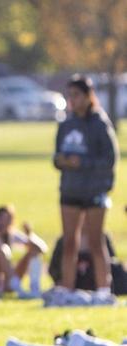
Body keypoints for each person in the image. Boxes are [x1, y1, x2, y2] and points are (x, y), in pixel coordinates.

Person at [44, 74, 119, 307]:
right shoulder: (66, 124)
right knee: (69, 242)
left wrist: (82, 163)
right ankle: (67, 288)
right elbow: (57, 156)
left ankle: (103, 290)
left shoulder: (100, 124)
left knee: (96, 241)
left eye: (76, 95)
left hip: (94, 190)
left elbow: (109, 160)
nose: (72, 100)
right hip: (70, 190)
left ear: (88, 96)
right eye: (69, 95)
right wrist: (62, 161)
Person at [0, 205, 46, 298]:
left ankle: (34, 289)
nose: (3, 223)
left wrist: (30, 235)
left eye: (7, 220)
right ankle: (17, 287)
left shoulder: (10, 234)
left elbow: (41, 249)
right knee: (1, 251)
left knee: (32, 252)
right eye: (0, 219)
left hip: (6, 283)